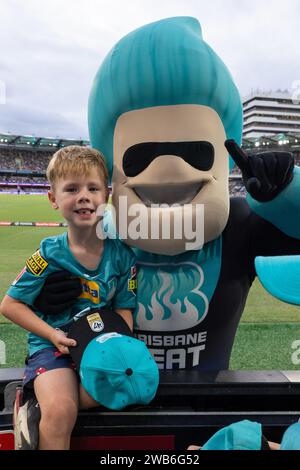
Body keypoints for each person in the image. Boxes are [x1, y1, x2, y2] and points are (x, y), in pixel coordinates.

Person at [0, 145, 137, 450]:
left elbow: (125, 309)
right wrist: (53, 334)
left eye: (93, 188)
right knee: (62, 411)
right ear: (53, 199)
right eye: (72, 188)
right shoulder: (49, 253)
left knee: (128, 387)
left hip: (97, 347)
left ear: (108, 196)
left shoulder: (123, 256)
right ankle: (45, 403)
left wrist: (119, 344)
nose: (84, 196)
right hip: (54, 348)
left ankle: (38, 404)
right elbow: (10, 305)